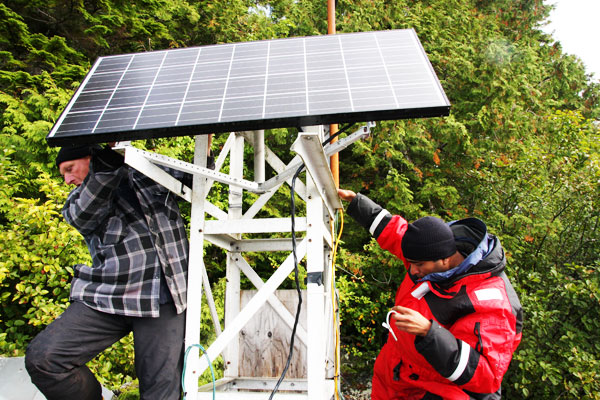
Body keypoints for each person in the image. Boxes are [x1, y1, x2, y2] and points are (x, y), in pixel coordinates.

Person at [25, 144, 192, 400]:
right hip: (109, 296)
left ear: (90, 157)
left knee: (160, 391)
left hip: (166, 297)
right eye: (63, 175)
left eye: (69, 169)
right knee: (45, 358)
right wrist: (107, 159)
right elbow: (97, 189)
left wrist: (209, 139)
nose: (68, 179)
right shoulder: (77, 201)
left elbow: (196, 177)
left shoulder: (150, 173)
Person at [337, 189, 523, 400]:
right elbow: (399, 233)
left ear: (444, 259)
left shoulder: (493, 303)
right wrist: (357, 203)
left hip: (434, 391)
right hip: (398, 377)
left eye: (418, 265)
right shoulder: (432, 252)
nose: (412, 271)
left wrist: (429, 332)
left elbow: (487, 376)